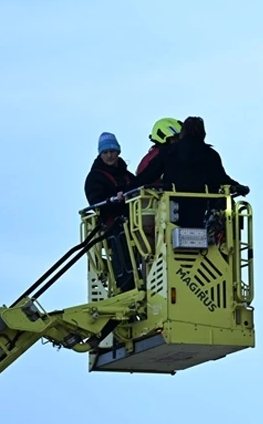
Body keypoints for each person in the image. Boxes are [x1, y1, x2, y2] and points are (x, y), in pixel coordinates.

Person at [135, 116, 250, 228]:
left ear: (183, 132)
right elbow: (221, 179)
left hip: (173, 214)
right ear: (203, 134)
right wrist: (238, 187)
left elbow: (145, 177)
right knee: (230, 208)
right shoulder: (210, 154)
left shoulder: (168, 152)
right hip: (202, 213)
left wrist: (124, 191)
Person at [82, 132, 138, 293]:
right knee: (120, 241)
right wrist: (114, 199)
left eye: (112, 151)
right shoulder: (95, 177)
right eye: (105, 152)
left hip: (133, 220)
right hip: (112, 223)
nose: (110, 155)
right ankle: (126, 282)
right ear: (100, 154)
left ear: (118, 152)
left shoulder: (127, 175)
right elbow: (95, 201)